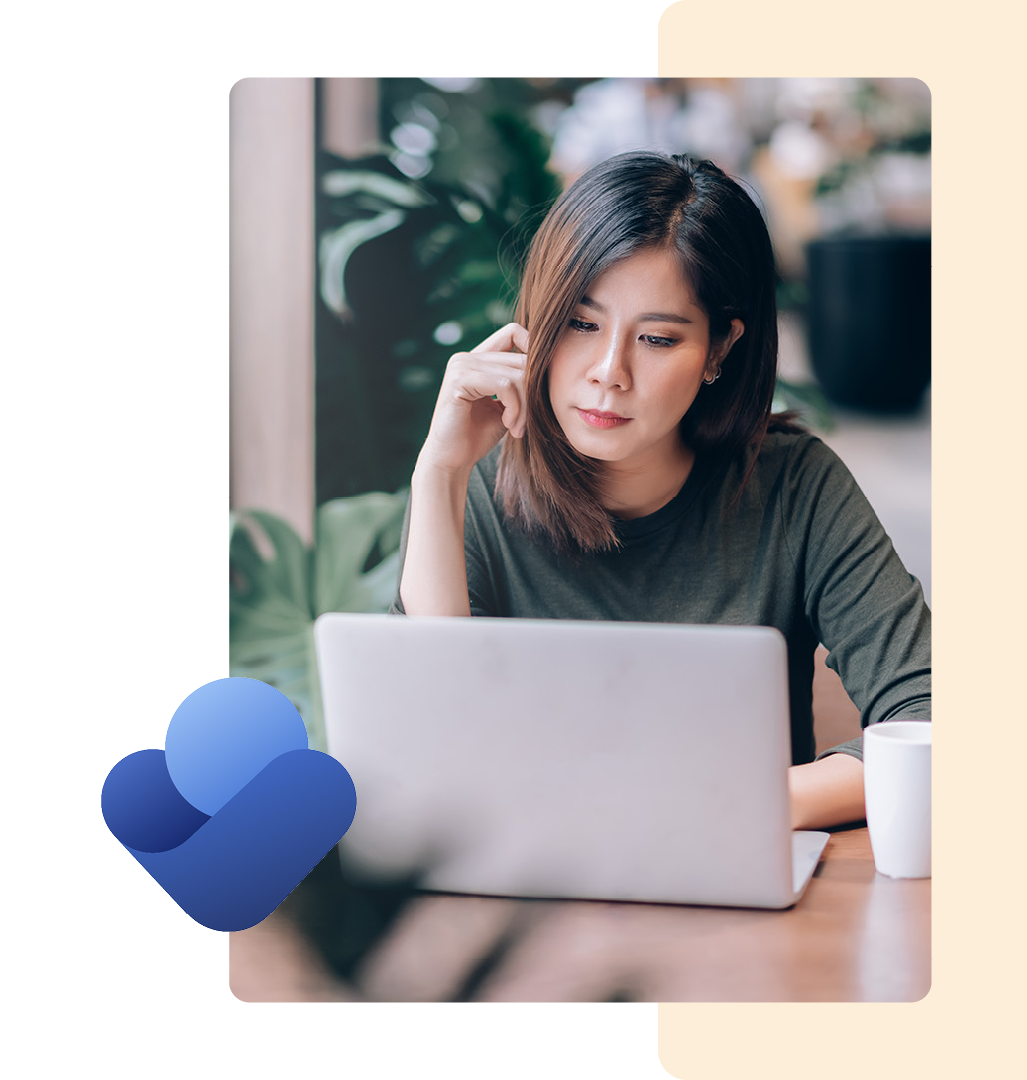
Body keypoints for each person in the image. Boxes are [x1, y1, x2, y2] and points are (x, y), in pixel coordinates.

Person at [393, 151, 931, 831]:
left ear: (718, 350)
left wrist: (729, 807)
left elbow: (932, 722)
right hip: (530, 906)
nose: (608, 372)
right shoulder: (478, 491)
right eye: (582, 324)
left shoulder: (796, 487)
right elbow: (423, 744)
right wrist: (437, 474)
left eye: (656, 338)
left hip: (737, 888)